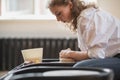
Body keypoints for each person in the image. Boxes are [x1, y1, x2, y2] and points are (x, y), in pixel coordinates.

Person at [48, 0, 120, 80]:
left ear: (70, 5)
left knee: (80, 68)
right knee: (77, 65)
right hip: (113, 57)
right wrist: (72, 55)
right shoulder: (83, 17)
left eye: (59, 13)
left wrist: (70, 53)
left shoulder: (87, 18)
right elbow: (91, 53)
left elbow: (96, 55)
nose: (58, 19)